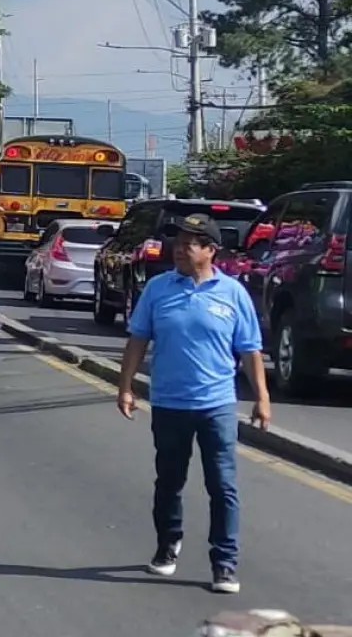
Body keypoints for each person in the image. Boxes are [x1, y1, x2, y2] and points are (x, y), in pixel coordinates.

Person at [117, 212, 271, 595]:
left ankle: (225, 563)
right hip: (169, 403)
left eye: (190, 244)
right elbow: (137, 340)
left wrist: (262, 398)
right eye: (178, 243)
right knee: (169, 480)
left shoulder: (233, 294)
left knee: (223, 485)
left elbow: (250, 350)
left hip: (216, 405)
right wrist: (125, 387)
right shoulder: (158, 289)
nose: (180, 250)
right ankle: (168, 545)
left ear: (210, 251)